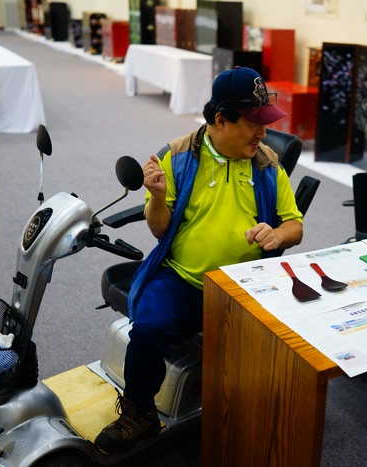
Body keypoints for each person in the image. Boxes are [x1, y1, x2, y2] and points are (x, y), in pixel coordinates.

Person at [95, 67, 304, 453]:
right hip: (184, 279)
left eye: (266, 123)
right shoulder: (176, 157)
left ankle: (256, 416)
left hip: (246, 283)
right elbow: (159, 230)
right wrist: (157, 197)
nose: (262, 133)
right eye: (254, 123)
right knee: (148, 329)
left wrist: (277, 234)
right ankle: (139, 413)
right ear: (220, 119)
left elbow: (295, 224)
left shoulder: (266, 162)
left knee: (282, 345)